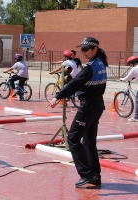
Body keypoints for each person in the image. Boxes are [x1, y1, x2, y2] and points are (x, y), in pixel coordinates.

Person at [49, 37, 108, 187]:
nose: (83, 52)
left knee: (73, 139)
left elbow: (75, 83)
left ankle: (87, 174)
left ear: (95, 49)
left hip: (88, 107)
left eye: (86, 49)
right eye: (82, 50)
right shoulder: (101, 63)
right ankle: (95, 176)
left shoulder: (90, 67)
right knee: (89, 142)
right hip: (97, 105)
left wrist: (58, 95)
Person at [120, 56, 138, 122]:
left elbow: (127, 78)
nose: (130, 66)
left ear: (132, 63)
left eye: (130, 64)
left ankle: (136, 117)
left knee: (137, 100)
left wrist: (122, 79)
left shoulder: (134, 69)